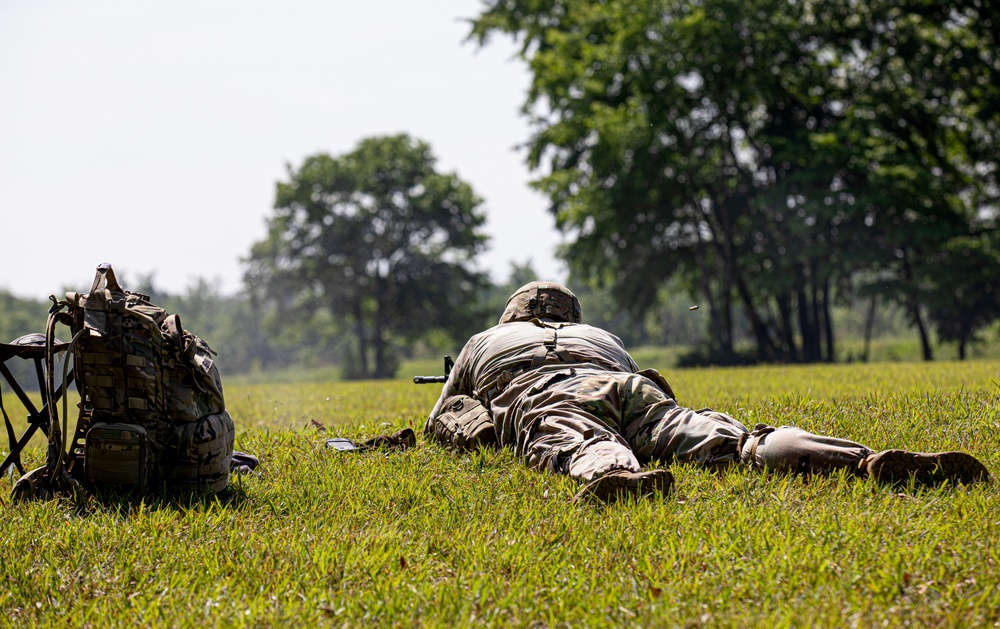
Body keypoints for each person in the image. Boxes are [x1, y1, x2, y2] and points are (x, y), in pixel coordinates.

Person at [425, 281, 990, 502]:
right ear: (572, 315)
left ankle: (613, 477)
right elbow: (641, 383)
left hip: (545, 392)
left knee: (577, 437)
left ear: (512, 316)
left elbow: (442, 417)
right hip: (630, 385)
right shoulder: (602, 335)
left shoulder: (485, 341)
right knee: (732, 439)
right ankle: (864, 461)